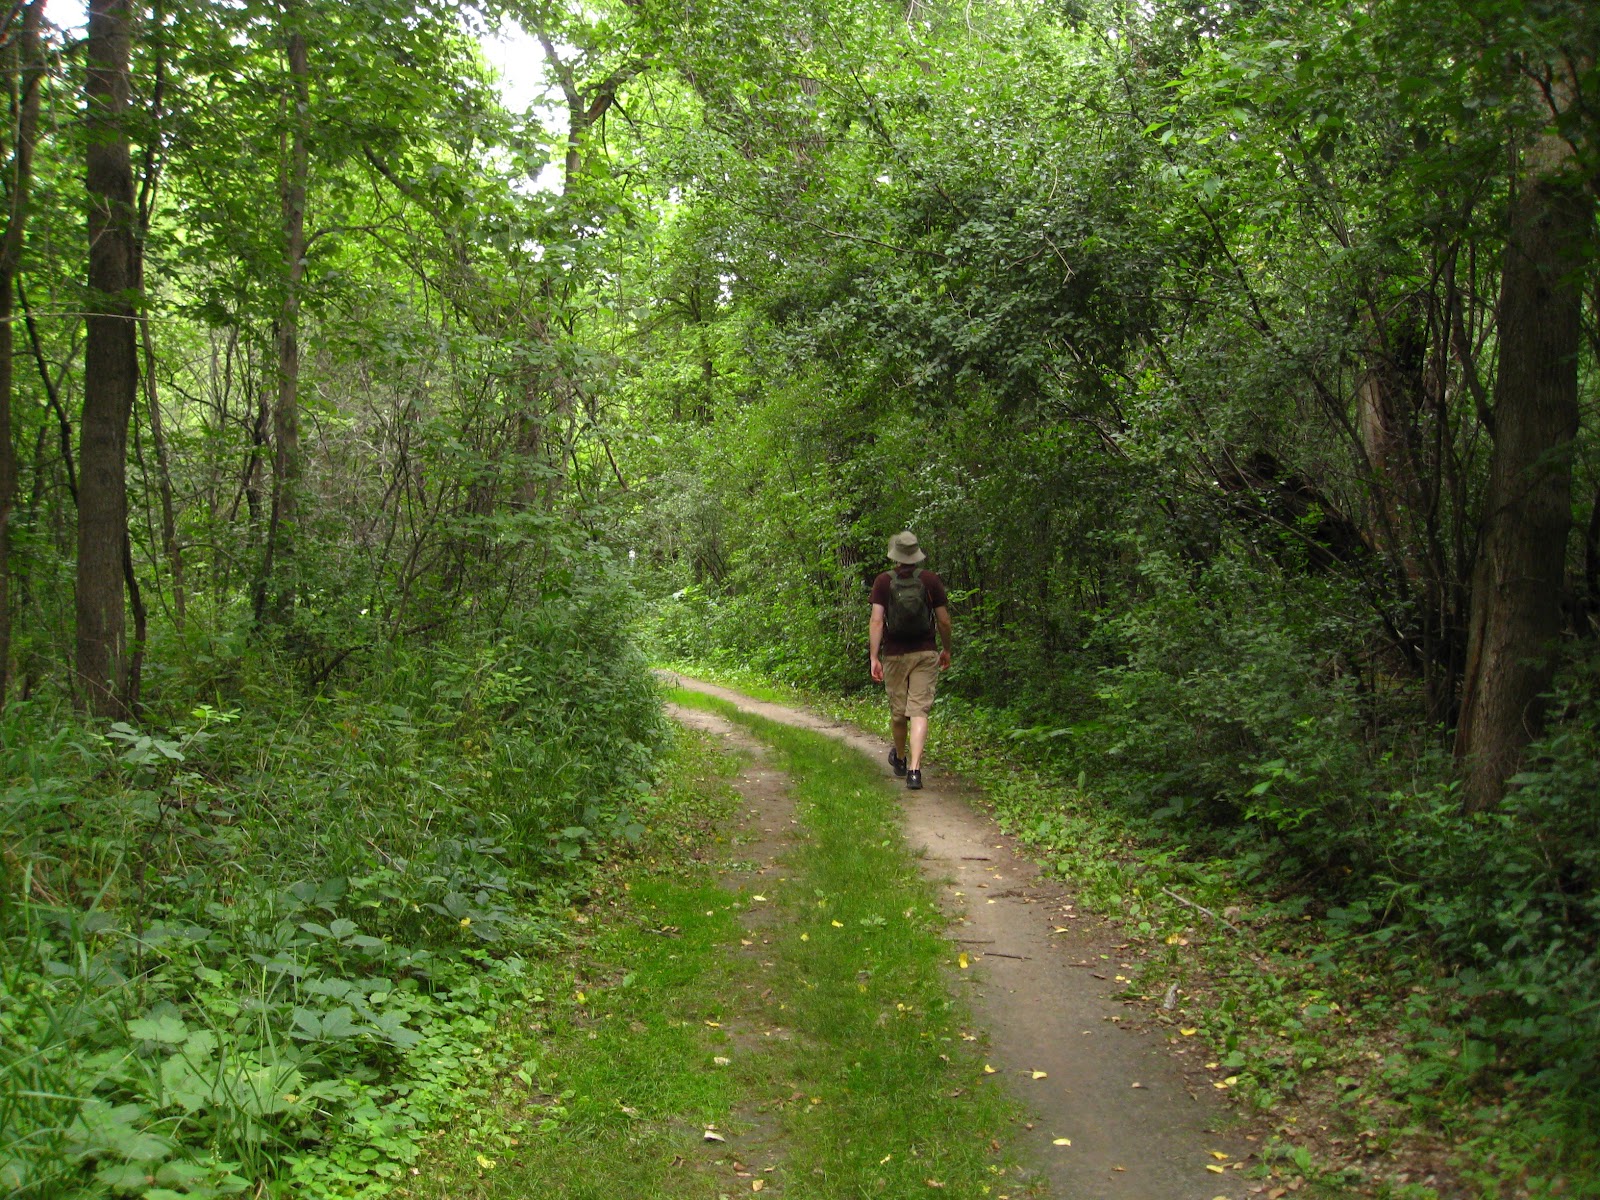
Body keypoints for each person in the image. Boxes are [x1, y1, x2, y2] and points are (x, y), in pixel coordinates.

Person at [869, 531, 952, 790]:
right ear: (915, 554)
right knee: (919, 711)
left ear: (895, 555)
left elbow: (876, 620)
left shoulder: (883, 582)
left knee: (898, 713)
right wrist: (946, 649)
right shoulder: (930, 580)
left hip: (894, 654)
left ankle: (901, 759)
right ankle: (915, 771)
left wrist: (873, 656)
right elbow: (944, 620)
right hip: (925, 653)